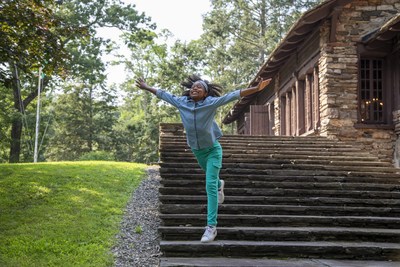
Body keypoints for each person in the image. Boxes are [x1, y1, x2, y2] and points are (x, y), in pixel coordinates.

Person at [135, 75, 271, 243]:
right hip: (197, 151)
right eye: (193, 87)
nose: (195, 88)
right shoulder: (181, 102)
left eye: (199, 87)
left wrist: (256, 89)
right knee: (213, 181)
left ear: (206, 94)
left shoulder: (211, 103)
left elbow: (233, 95)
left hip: (213, 150)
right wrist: (147, 86)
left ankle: (211, 227)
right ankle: (220, 184)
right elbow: (163, 94)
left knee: (209, 186)